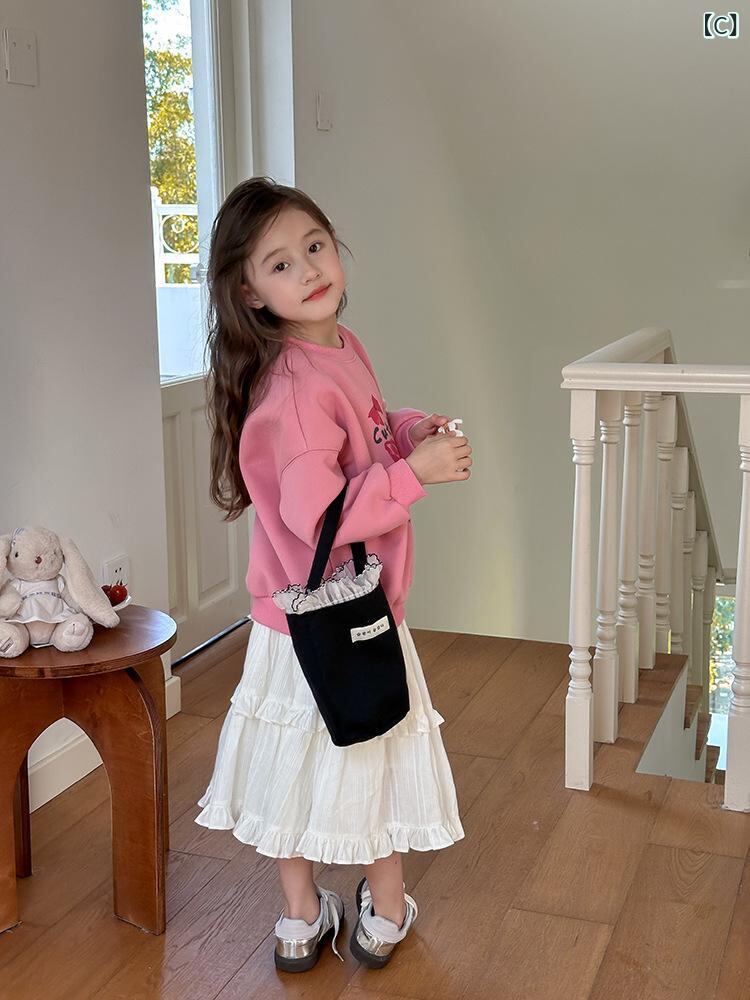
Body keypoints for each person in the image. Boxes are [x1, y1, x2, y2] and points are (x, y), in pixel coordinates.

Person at [194, 176, 472, 973]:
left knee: (309, 759)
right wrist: (413, 475)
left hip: (323, 612)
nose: (309, 269)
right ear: (250, 292)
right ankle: (383, 914)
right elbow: (317, 519)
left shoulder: (338, 348)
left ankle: (300, 919)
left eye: (315, 246)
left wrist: (409, 434)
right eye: (280, 264)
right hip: (332, 616)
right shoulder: (293, 388)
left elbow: (366, 437)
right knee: (365, 753)